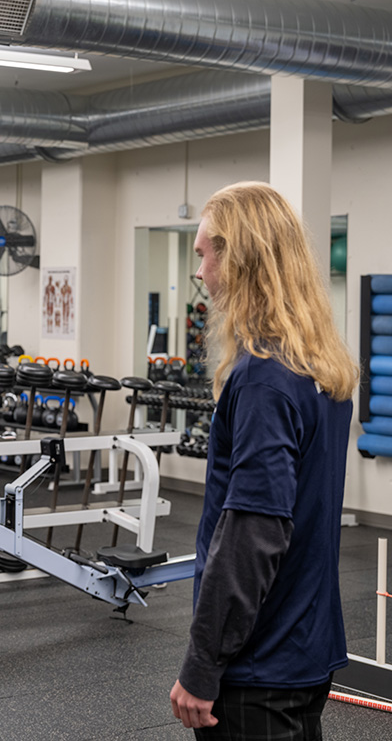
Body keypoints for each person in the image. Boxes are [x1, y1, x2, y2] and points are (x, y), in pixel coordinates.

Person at [170, 182, 358, 739]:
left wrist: (203, 665)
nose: (199, 272)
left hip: (259, 664)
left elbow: (254, 533)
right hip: (304, 648)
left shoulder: (262, 379)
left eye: (205, 253)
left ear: (239, 254)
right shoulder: (319, 370)